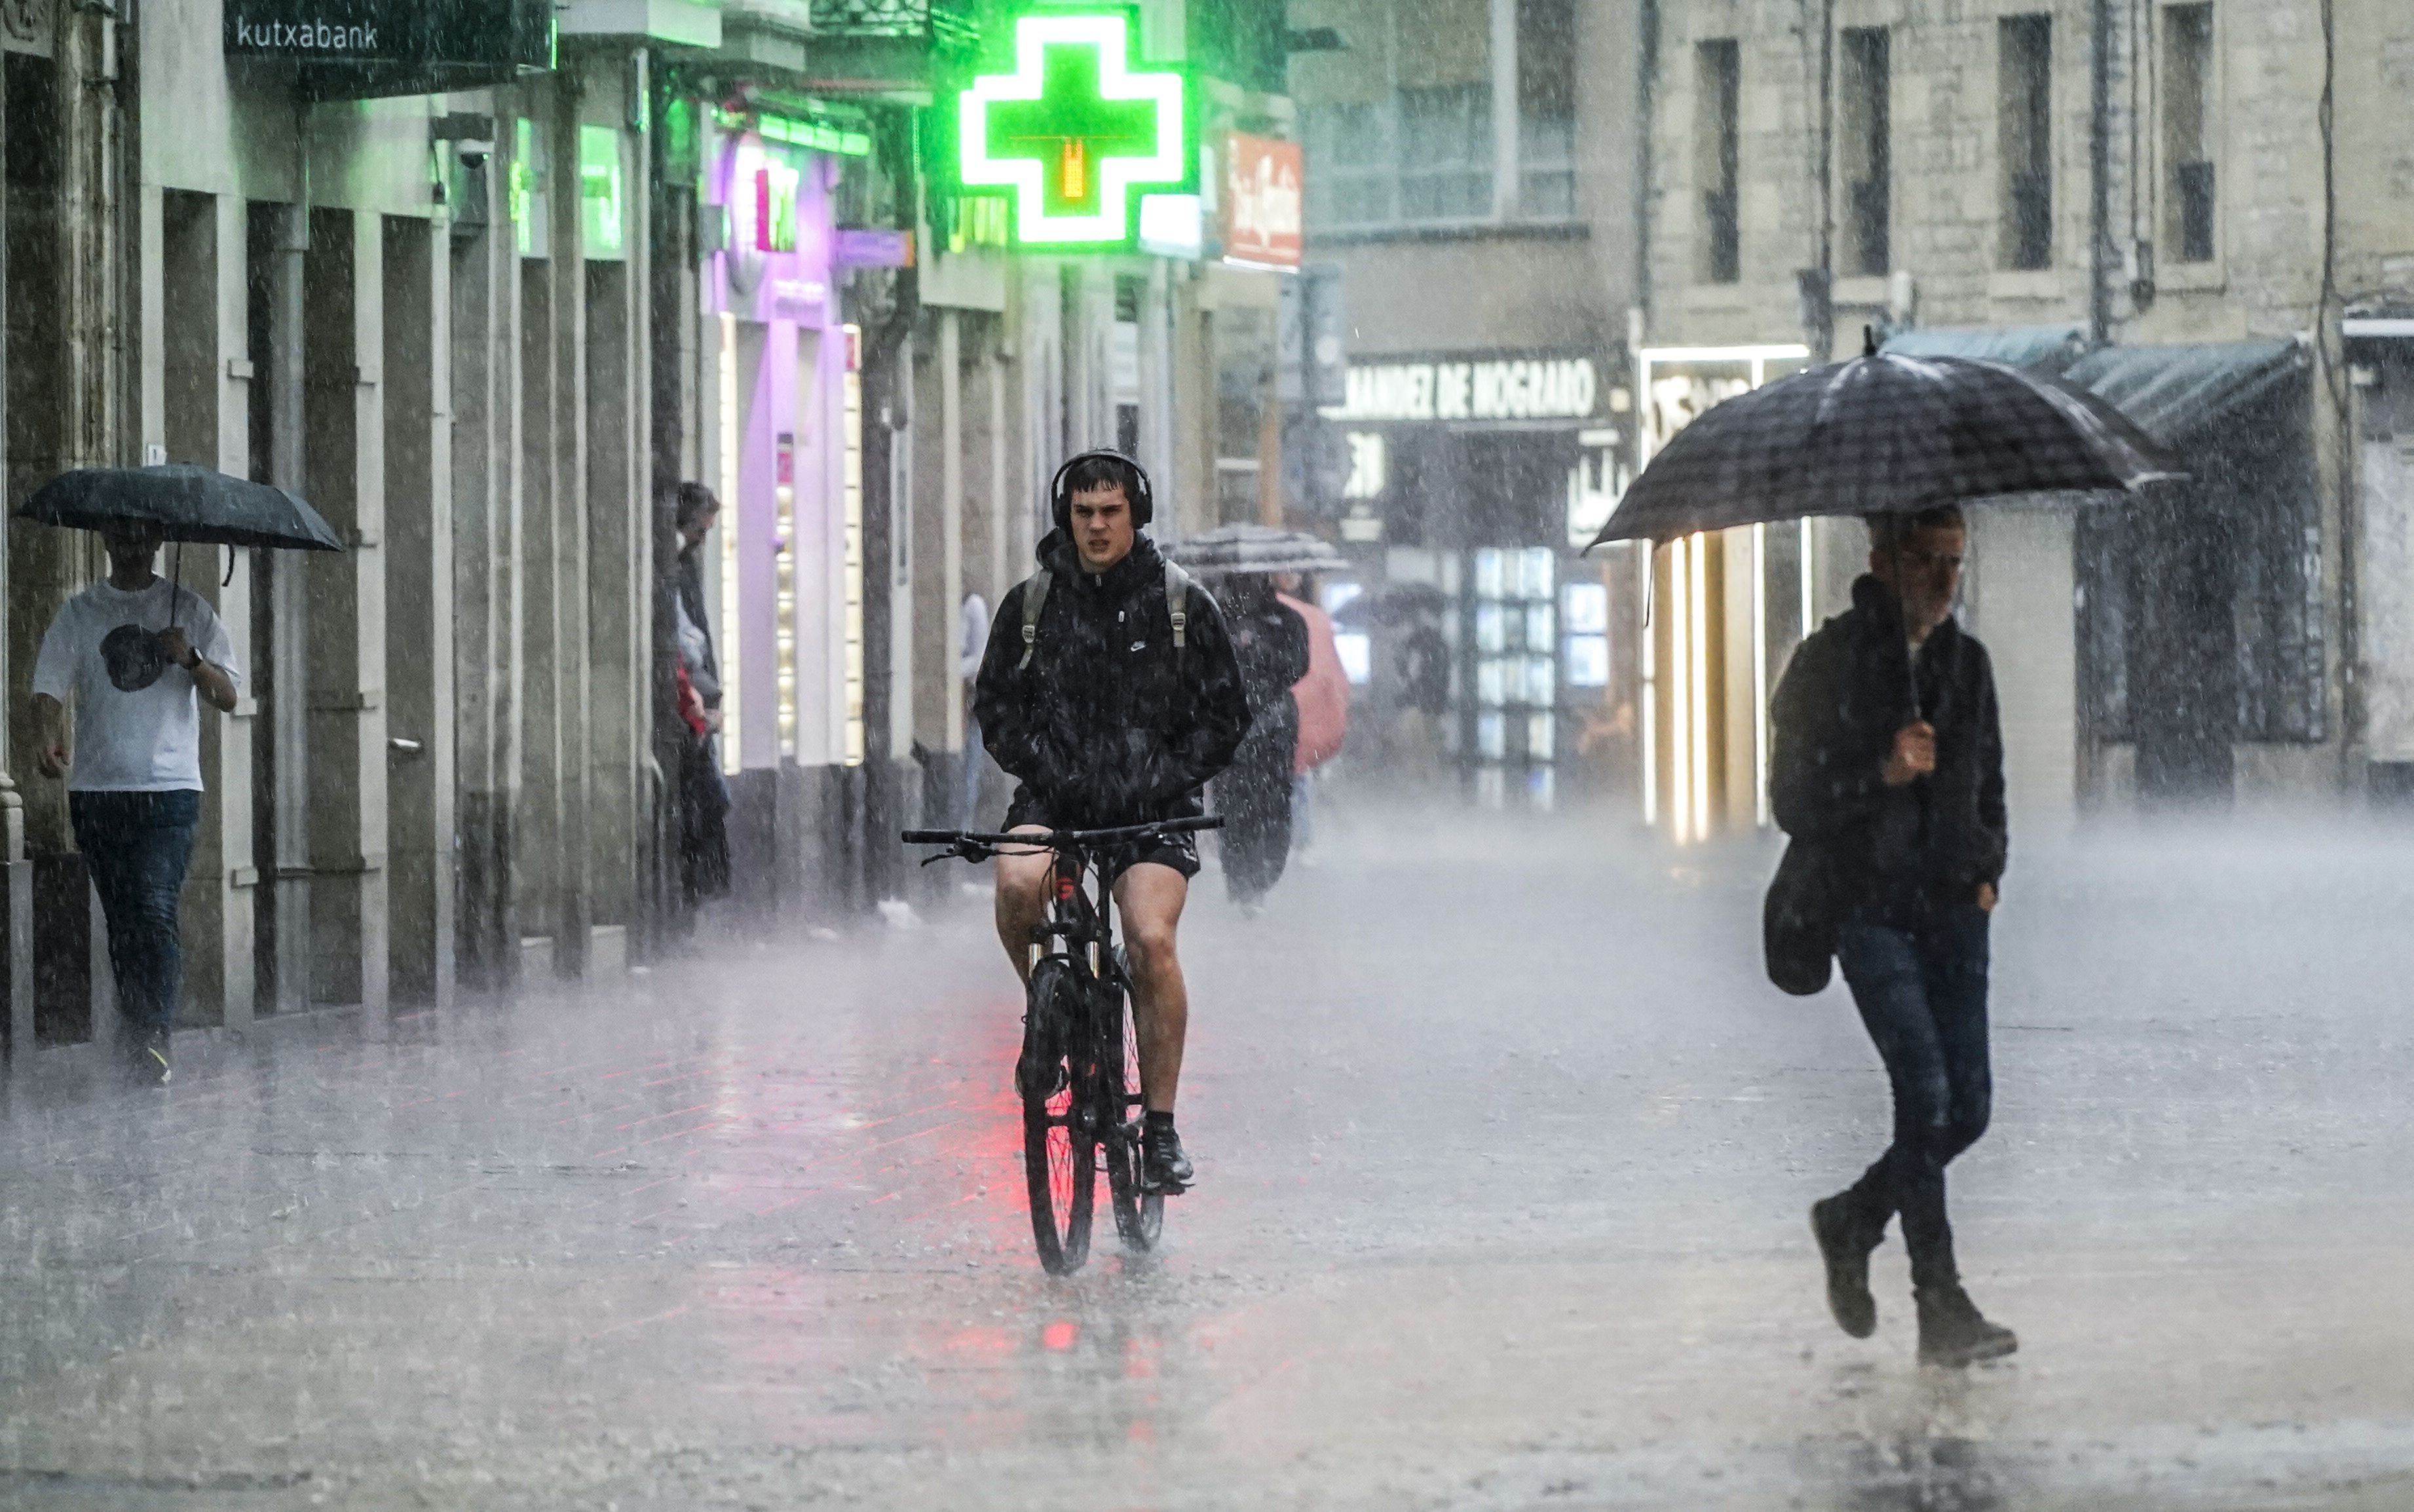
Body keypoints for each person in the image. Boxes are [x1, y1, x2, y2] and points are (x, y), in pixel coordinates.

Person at [1771, 504, 2016, 1369]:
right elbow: (1791, 801)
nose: (1945, 578)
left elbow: (1989, 786)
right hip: (1869, 913)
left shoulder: (1966, 666)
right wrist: (1877, 769)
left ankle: (1852, 1219)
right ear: (1882, 561)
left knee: (1969, 1107)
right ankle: (1938, 1301)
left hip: (1954, 914)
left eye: (1956, 560)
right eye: (1926, 560)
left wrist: (1988, 870)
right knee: (1925, 1093)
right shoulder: (1828, 664)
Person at [973, 451, 1250, 1193]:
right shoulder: (1031, 605)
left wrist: (1160, 775)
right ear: (1066, 516)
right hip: (1054, 796)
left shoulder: (1179, 602)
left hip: (1152, 806)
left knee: (1150, 939)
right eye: (1083, 512)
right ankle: (1051, 1011)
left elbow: (1227, 716)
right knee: (1015, 887)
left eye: (1111, 512)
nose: (1096, 526)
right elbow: (995, 709)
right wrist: (1048, 768)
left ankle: (1158, 1129)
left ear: (1136, 515)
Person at [29, 528, 242, 1086]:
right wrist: (48, 733)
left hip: (170, 790)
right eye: (120, 535)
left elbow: (228, 696)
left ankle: (153, 1031)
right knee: (124, 922)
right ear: (105, 541)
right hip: (99, 793)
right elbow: (48, 685)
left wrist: (190, 659)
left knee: (154, 909)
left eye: (140, 535)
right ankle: (138, 1021)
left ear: (154, 542)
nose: (130, 545)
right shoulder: (81, 612)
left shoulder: (190, 611)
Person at [1211, 573, 1308, 911]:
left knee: (1273, 804)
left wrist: (1260, 652)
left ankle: (1264, 875)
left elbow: (1298, 666)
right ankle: (1241, 881)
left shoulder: (1285, 620)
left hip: (1274, 727)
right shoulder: (1214, 615)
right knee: (1232, 807)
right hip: (1230, 727)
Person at [671, 483, 731, 906]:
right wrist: (701, 689)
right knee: (703, 800)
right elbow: (686, 636)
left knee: (708, 799)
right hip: (689, 697)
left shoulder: (684, 565)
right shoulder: (675, 565)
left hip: (697, 693)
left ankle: (701, 889)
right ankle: (697, 890)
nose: (701, 540)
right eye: (699, 530)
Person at [1277, 576, 1348, 860]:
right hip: (1301, 718)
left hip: (1284, 716)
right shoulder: (1313, 621)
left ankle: (1289, 838)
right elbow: (1330, 677)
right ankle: (1301, 841)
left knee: (1290, 781)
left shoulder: (1280, 619)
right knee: (1300, 780)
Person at [958, 588, 990, 827]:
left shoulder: (973, 605)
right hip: (958, 704)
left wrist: (953, 670)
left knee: (969, 767)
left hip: (970, 700)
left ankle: (965, 825)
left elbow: (980, 656)